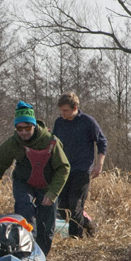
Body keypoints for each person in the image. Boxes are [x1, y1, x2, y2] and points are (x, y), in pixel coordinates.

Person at [0, 101, 71, 256]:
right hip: (23, 183)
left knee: (46, 224)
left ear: (34, 126)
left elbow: (64, 168)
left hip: (48, 185)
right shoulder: (12, 144)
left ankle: (40, 256)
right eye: (19, 128)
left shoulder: (50, 141)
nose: (23, 132)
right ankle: (23, 251)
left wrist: (52, 193)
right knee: (24, 211)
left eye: (27, 128)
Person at [53, 92, 108, 238]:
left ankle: (75, 239)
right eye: (61, 111)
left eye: (65, 110)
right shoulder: (59, 123)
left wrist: (99, 164)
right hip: (63, 170)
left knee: (75, 206)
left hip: (82, 170)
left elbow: (102, 142)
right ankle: (89, 224)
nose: (62, 114)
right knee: (62, 208)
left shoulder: (88, 122)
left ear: (75, 108)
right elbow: (54, 144)